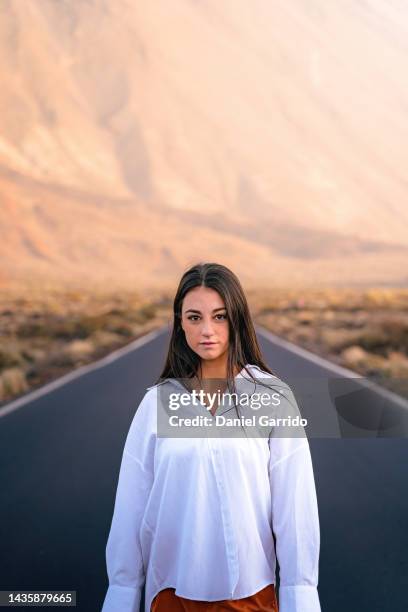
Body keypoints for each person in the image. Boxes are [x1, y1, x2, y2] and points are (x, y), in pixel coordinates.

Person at [101, 262, 322, 612]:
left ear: (237, 319)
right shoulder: (156, 403)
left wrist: (301, 598)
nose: (207, 330)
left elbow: (295, 511)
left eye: (219, 316)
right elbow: (130, 510)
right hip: (171, 597)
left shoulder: (272, 398)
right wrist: (122, 596)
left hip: (251, 599)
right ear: (179, 324)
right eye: (194, 317)